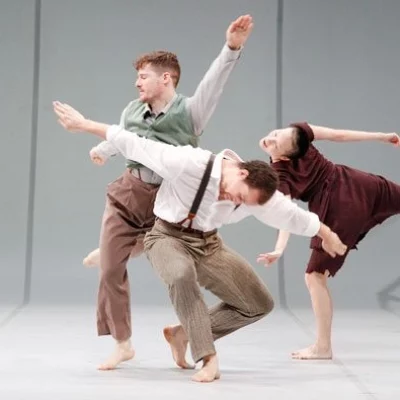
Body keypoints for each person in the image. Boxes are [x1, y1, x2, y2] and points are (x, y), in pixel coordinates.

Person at [53, 101, 347, 382]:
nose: (236, 201)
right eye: (239, 196)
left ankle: (181, 334)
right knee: (181, 275)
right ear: (241, 171)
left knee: (259, 303)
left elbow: (291, 215)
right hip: (165, 236)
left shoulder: (256, 193)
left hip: (208, 244)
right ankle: (207, 357)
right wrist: (84, 124)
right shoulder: (190, 163)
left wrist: (327, 234)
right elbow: (134, 143)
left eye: (244, 202)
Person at [77, 14, 254, 370]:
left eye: (143, 76)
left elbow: (214, 83)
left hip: (169, 202)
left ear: (166, 78)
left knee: (161, 246)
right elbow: (123, 136)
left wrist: (231, 48)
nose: (137, 82)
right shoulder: (132, 109)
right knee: (110, 271)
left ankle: (130, 248)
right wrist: (103, 150)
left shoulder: (190, 112)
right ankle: (122, 343)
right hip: (128, 193)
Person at [258, 122, 400, 360]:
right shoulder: (297, 138)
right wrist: (382, 136)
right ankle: (322, 346)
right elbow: (338, 135)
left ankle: (323, 347)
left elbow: (287, 216)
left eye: (276, 141)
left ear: (286, 155)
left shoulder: (280, 174)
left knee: (314, 276)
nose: (269, 140)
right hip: (358, 183)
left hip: (338, 210)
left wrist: (383, 136)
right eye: (273, 137)